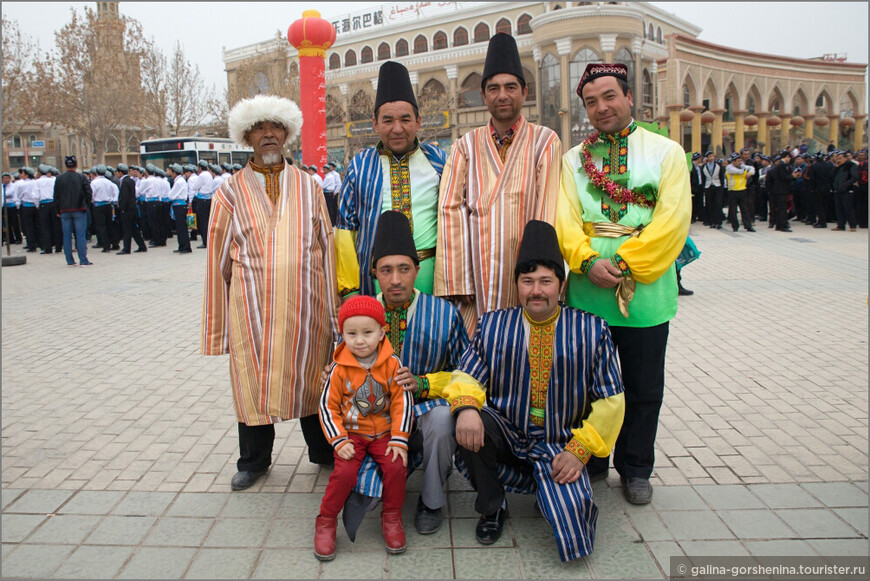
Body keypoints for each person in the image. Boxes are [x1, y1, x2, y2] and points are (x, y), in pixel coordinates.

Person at [444, 220, 625, 561]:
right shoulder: (494, 324)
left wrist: (580, 450)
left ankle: (550, 492)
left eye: (545, 280)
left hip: (561, 443)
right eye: (527, 281)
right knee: (467, 420)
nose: (536, 290)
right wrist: (467, 409)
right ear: (517, 285)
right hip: (509, 433)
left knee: (575, 534)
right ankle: (493, 506)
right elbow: (466, 374)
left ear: (561, 284)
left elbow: (611, 399)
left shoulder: (591, 329)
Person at [555, 62, 691, 505]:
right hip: (588, 292)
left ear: (629, 97)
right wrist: (586, 259)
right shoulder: (572, 161)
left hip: (646, 294)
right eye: (591, 101)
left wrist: (628, 263)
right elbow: (564, 218)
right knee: (586, 384)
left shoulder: (666, 152)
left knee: (643, 385)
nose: (601, 107)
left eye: (609, 96)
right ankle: (592, 458)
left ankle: (636, 468)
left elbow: (672, 221)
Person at [202, 94, 340, 491]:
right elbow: (216, 261)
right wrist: (218, 329)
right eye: (259, 128)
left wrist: (334, 318)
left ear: (287, 134)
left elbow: (326, 247)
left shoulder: (310, 186)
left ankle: (325, 451)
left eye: (275, 127)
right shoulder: (229, 191)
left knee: (312, 379)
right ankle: (255, 461)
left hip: (307, 306)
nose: (268, 134)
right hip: (252, 309)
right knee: (253, 383)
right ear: (247, 137)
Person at [340, 211, 469, 540]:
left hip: (425, 410)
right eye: (386, 270)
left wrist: (425, 383)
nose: (395, 280)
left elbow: (465, 374)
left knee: (442, 420)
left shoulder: (444, 314)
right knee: (362, 493)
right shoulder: (359, 316)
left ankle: (431, 500)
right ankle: (371, 484)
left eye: (404, 269)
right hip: (374, 418)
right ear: (374, 273)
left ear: (418, 270)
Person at [435, 33, 561, 333]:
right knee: (480, 354)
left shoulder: (545, 141)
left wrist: (541, 278)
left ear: (524, 91)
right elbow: (449, 209)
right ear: (484, 95)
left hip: (527, 270)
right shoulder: (466, 144)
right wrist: (457, 279)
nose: (502, 95)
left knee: (525, 350)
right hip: (478, 273)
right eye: (494, 88)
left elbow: (547, 211)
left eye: (510, 87)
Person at [315, 295, 413, 561]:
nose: (360, 340)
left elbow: (403, 401)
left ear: (382, 333)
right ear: (342, 334)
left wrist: (400, 438)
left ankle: (392, 518)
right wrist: (339, 440)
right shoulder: (339, 368)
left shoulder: (392, 363)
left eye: (367, 333)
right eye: (351, 333)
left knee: (396, 466)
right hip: (352, 435)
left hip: (384, 433)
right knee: (344, 473)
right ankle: (326, 521)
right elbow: (327, 407)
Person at [338, 61, 447, 297]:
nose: (397, 129)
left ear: (418, 122)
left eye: (405, 120)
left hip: (431, 280)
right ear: (375, 124)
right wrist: (349, 292)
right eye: (388, 121)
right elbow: (346, 231)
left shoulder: (439, 161)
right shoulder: (360, 167)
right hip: (375, 282)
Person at [53, 155, 93, 266]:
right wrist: (86, 204)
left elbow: (56, 196)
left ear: (66, 165)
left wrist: (58, 210)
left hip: (64, 210)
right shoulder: (81, 177)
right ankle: (83, 260)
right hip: (79, 209)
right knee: (80, 236)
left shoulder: (59, 178)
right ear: (76, 165)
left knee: (66, 236)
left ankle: (69, 261)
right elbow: (88, 192)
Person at [115, 163, 147, 254]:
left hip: (127, 209)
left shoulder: (124, 181)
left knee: (127, 229)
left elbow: (125, 196)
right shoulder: (131, 180)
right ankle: (142, 246)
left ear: (120, 172)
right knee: (134, 229)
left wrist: (122, 207)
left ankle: (126, 248)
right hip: (133, 208)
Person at [89, 165, 119, 253]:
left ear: (96, 173)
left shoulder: (94, 183)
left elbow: (91, 195)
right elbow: (114, 193)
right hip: (108, 205)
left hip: (98, 206)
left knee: (101, 226)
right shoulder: (109, 182)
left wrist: (92, 201)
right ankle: (115, 243)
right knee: (110, 224)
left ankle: (106, 246)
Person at [724, 152, 756, 232]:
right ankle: (735, 226)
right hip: (733, 191)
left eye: (740, 161)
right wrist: (745, 170)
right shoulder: (729, 167)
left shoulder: (742, 166)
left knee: (745, 210)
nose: (740, 163)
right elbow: (737, 171)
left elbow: (752, 169)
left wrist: (750, 173)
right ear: (733, 162)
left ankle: (748, 226)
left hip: (742, 190)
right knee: (733, 211)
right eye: (737, 161)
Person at [35, 165, 62, 254]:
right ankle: (58, 247)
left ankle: (48, 248)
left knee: (45, 227)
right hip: (54, 204)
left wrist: (37, 205)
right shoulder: (54, 180)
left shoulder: (37, 182)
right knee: (56, 226)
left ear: (39, 172)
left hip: (43, 204)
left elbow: (35, 196)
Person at [769, 150, 797, 232]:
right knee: (782, 209)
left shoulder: (780, 165)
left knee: (781, 208)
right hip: (781, 190)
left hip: (780, 190)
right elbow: (784, 177)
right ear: (787, 157)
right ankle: (782, 225)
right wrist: (792, 176)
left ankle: (779, 225)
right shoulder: (782, 165)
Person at [167, 163, 191, 253]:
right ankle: (182, 246)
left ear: (174, 172)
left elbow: (171, 195)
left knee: (182, 228)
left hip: (179, 205)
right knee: (180, 227)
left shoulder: (179, 181)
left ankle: (186, 247)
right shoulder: (180, 180)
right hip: (179, 205)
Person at [832, 150, 859, 231]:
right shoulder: (839, 166)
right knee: (839, 208)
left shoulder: (851, 165)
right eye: (837, 158)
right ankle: (841, 225)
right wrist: (836, 167)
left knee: (848, 208)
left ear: (846, 158)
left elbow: (855, 177)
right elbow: (832, 176)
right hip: (838, 190)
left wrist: (845, 185)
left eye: (840, 158)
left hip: (847, 190)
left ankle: (853, 225)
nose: (838, 160)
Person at [17, 166, 39, 252]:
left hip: (26, 206)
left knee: (29, 227)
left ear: (26, 174)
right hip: (36, 206)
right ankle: (39, 243)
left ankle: (31, 245)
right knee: (37, 226)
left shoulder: (21, 184)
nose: (21, 175)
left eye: (22, 173)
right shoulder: (35, 182)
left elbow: (18, 196)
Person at [700, 150, 724, 229]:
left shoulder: (718, 165)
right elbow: (703, 178)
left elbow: (721, 176)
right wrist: (704, 187)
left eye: (712, 156)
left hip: (717, 186)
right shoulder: (704, 167)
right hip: (708, 186)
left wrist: (721, 186)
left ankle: (718, 222)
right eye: (710, 156)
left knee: (718, 204)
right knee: (710, 204)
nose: (711, 158)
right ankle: (711, 221)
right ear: (707, 158)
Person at [193, 159, 214, 248]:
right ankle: (210, 240)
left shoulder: (201, 175)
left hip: (202, 200)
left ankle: (205, 241)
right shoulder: (209, 174)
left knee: (203, 222)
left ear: (200, 167)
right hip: (209, 199)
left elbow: (195, 187)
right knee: (208, 221)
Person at [3, 172, 22, 245]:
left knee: (15, 223)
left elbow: (13, 194)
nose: (6, 180)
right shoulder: (2, 186)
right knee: (7, 224)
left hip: (13, 206)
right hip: (4, 207)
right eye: (5, 178)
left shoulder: (14, 186)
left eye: (8, 178)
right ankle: (10, 239)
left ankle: (18, 238)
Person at [689, 152, 704, 224]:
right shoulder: (691, 167)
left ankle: (700, 215)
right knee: (693, 203)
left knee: (700, 202)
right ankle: (693, 217)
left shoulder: (699, 167)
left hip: (700, 186)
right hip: (693, 187)